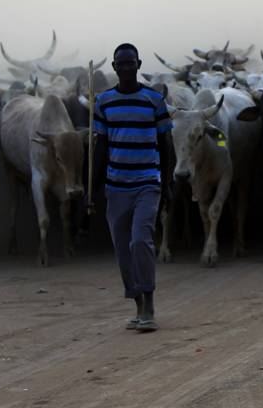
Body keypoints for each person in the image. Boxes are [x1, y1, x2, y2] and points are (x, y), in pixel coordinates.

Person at [92, 43, 172, 332]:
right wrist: (94, 188)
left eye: (130, 63)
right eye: (120, 64)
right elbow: (101, 146)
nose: (125, 68)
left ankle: (149, 303)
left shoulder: (154, 100)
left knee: (140, 241)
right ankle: (136, 302)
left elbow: (166, 144)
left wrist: (168, 183)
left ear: (139, 65)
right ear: (114, 68)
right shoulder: (103, 102)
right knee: (123, 251)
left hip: (147, 183)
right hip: (116, 186)